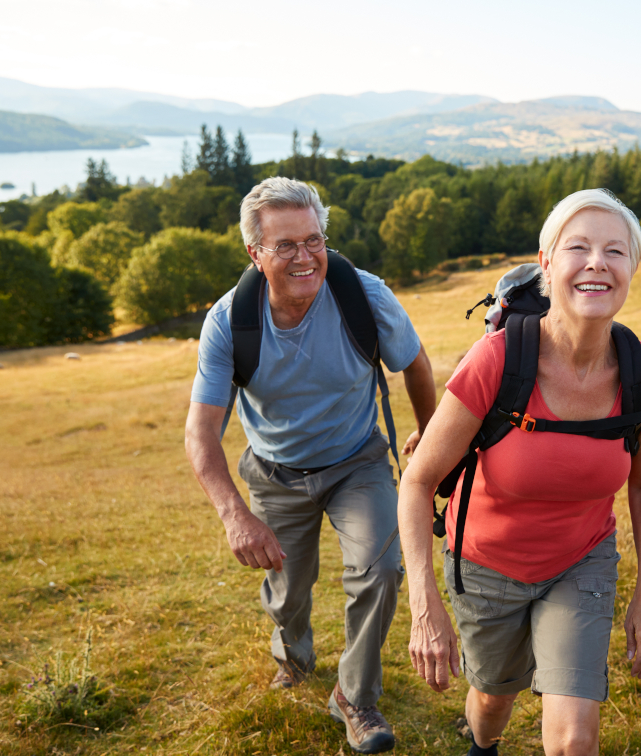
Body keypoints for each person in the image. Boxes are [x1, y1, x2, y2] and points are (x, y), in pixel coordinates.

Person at [398, 189, 641, 756]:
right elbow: (417, 480)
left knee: (576, 739)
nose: (597, 262)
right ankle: (483, 744)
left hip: (581, 560)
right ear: (548, 265)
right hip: (484, 562)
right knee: (491, 705)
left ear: (632, 269)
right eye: (578, 247)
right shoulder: (498, 360)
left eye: (615, 251)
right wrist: (423, 603)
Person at [185, 177, 436, 755]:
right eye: (286, 246)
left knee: (380, 570)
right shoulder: (229, 321)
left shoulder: (364, 295)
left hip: (358, 463)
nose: (305, 257)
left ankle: (355, 697)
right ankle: (293, 654)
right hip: (275, 473)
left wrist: (429, 438)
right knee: (288, 592)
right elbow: (200, 434)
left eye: (314, 239)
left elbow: (416, 365)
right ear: (255, 253)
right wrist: (235, 516)